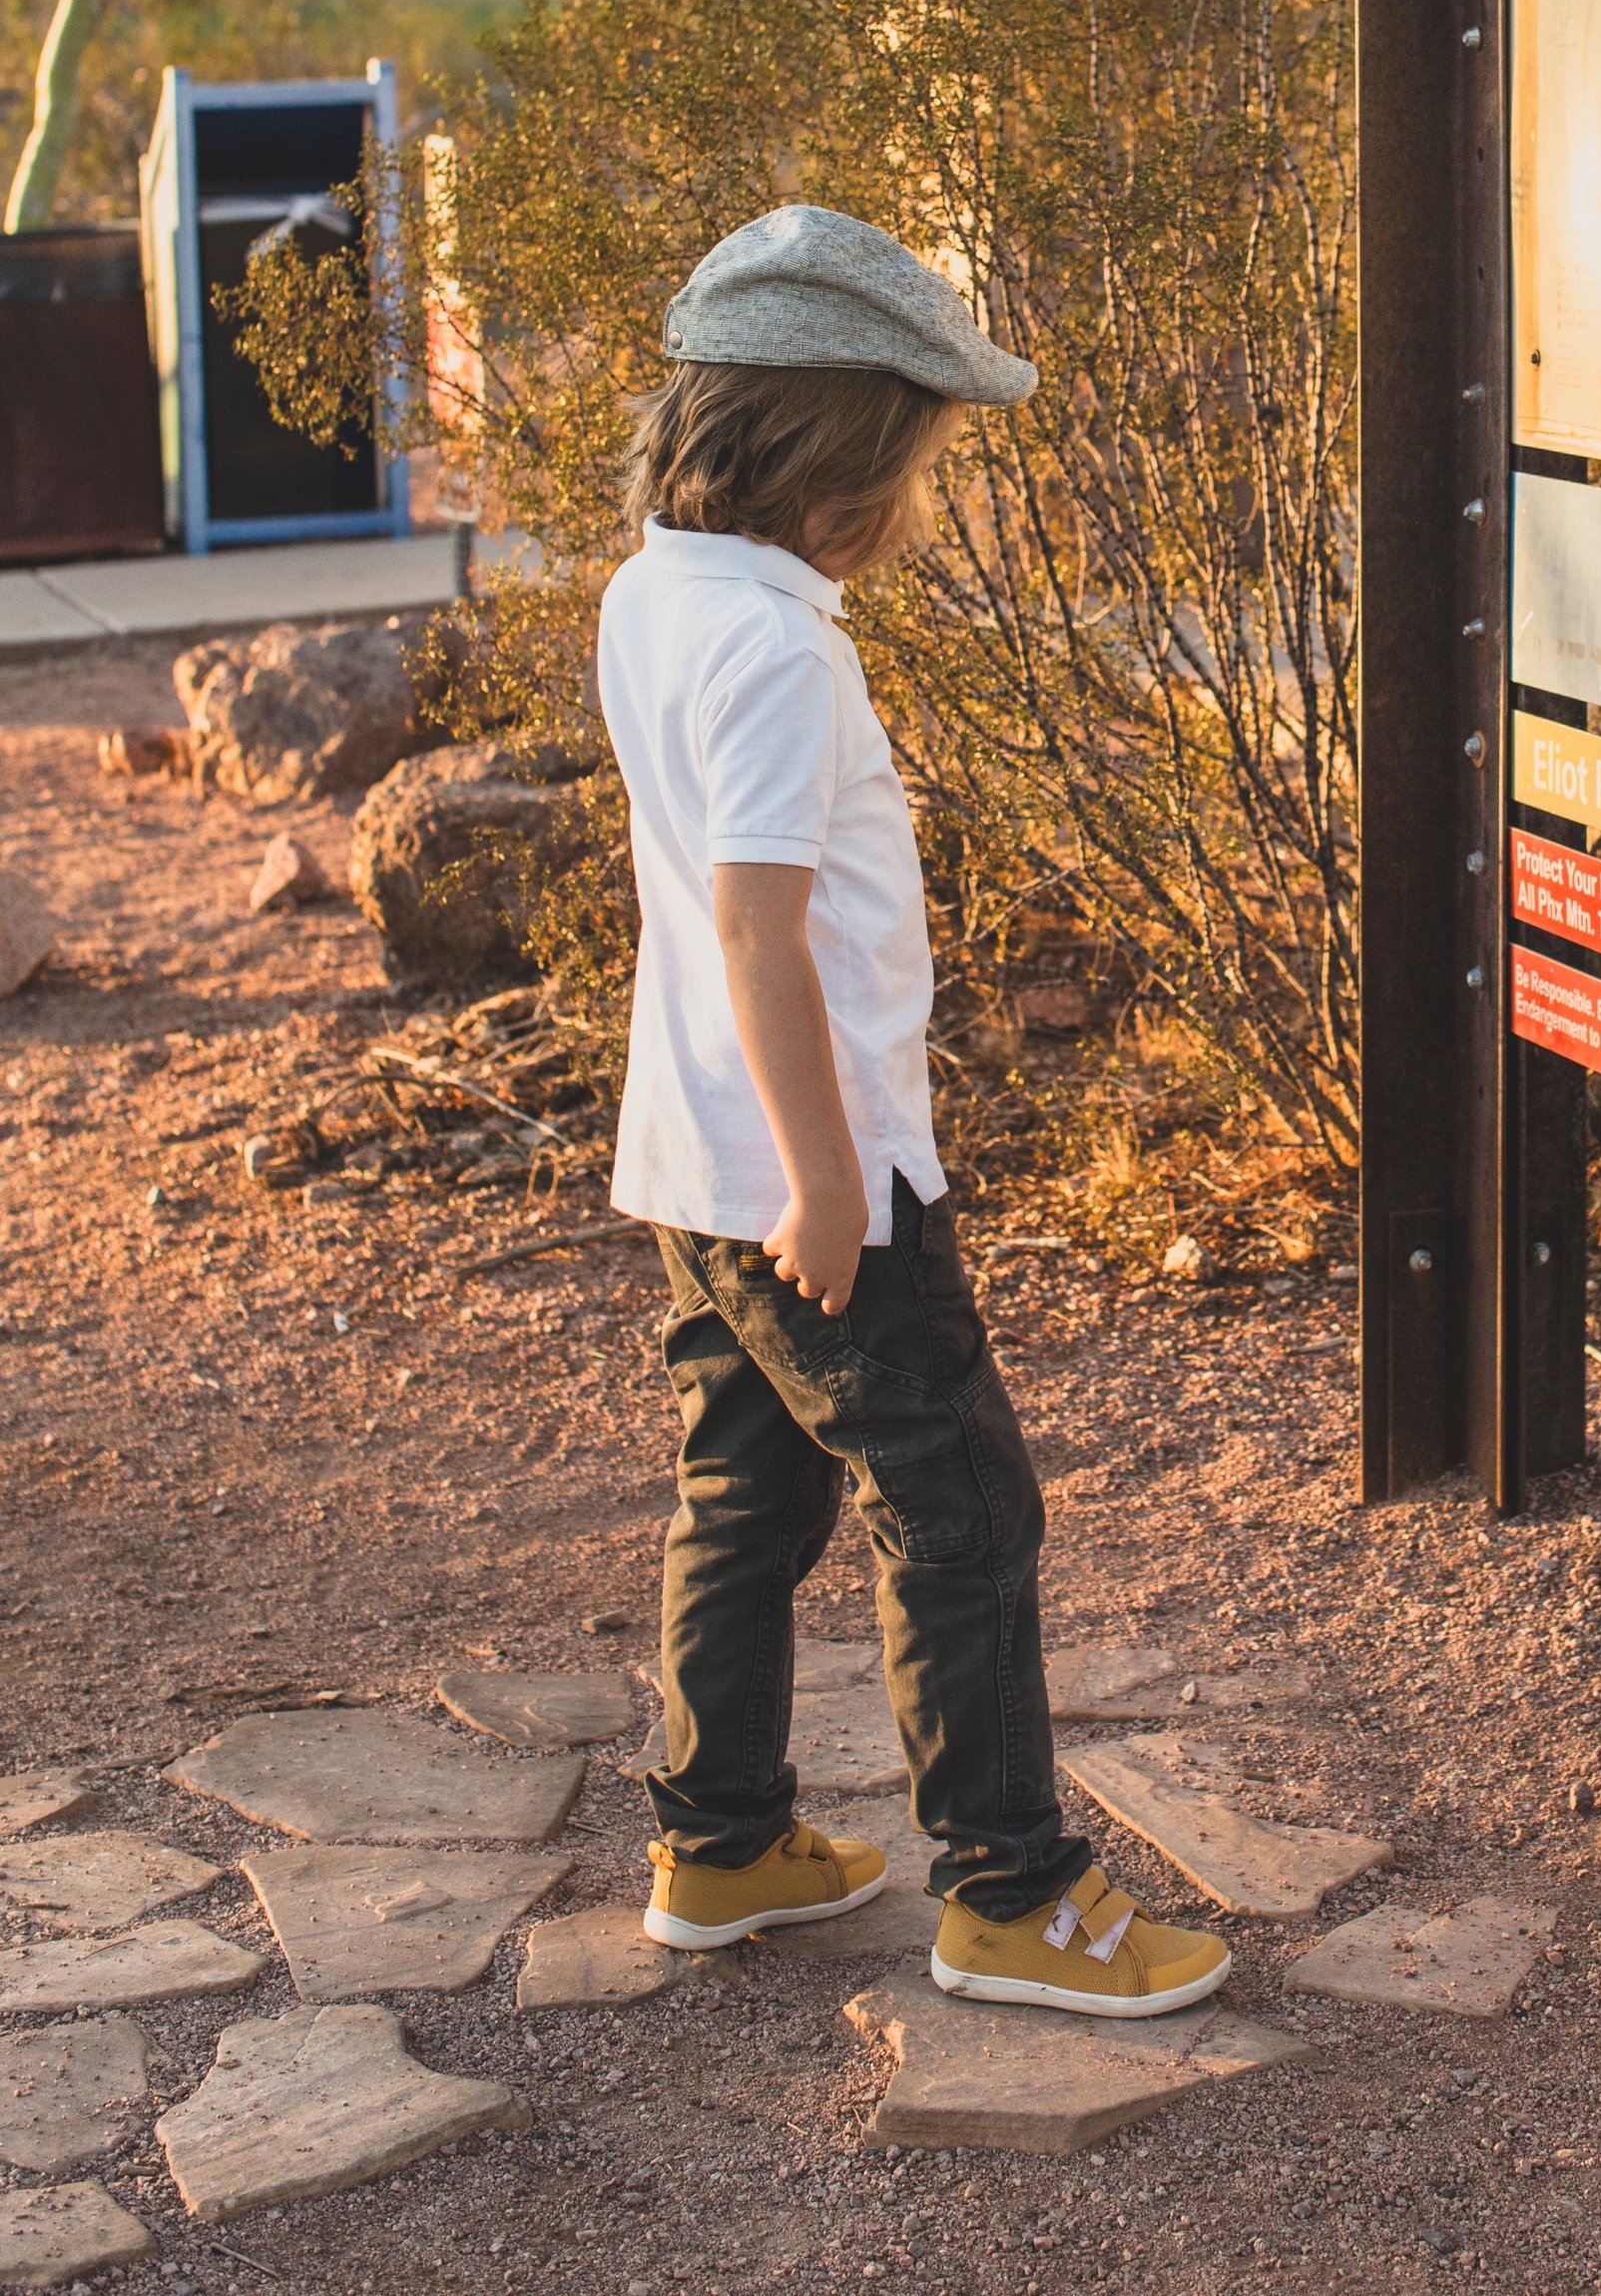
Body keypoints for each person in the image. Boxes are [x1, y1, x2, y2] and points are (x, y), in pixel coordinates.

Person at [597, 203, 1230, 2015]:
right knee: (961, 1511)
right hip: (816, 1176)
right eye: (924, 466)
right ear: (840, 460)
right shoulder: (785, 649)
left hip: (689, 1157)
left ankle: (716, 1840)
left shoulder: (659, 595)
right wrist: (827, 1182)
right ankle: (1012, 1892)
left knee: (746, 1490)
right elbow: (758, 927)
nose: (926, 504)